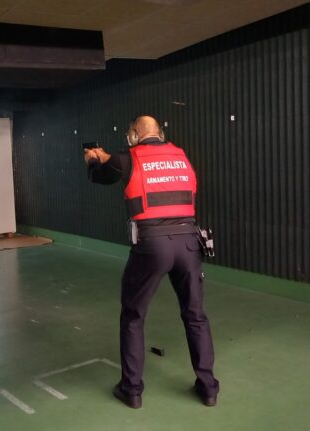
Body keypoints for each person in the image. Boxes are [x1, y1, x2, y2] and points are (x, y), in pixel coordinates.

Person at [84, 116, 219, 409]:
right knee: (195, 315)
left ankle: (131, 390)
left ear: (134, 134)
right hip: (189, 242)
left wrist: (93, 161)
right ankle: (208, 388)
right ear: (160, 133)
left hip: (152, 246)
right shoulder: (181, 156)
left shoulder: (128, 159)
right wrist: (107, 157)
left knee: (133, 315)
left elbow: (101, 175)